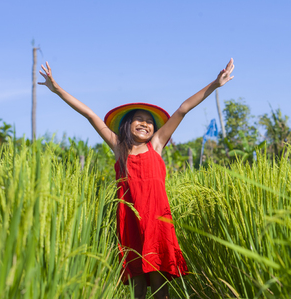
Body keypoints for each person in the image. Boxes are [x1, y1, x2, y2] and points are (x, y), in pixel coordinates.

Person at [38, 58, 235, 299]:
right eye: (139, 120)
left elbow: (183, 108)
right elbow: (90, 115)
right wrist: (57, 90)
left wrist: (215, 84)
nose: (145, 123)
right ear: (127, 125)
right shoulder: (119, 148)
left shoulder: (156, 145)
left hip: (157, 221)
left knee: (160, 279)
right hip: (130, 221)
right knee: (137, 284)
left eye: (149, 121)